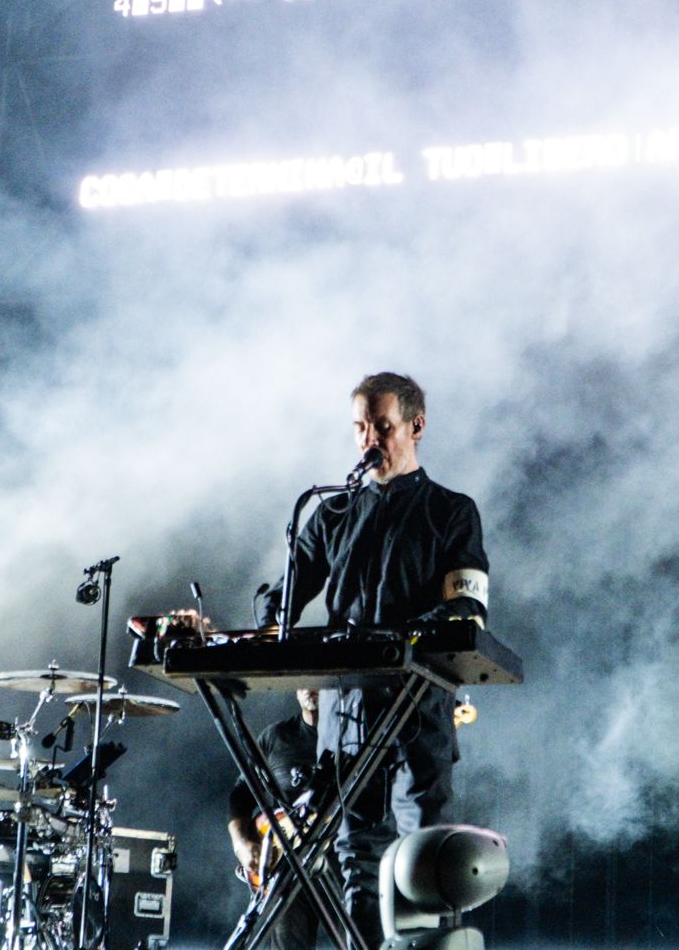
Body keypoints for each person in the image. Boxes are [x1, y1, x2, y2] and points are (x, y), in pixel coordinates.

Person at [259, 372, 490, 948]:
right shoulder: (333, 514)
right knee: (357, 864)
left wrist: (409, 636)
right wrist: (265, 616)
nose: (368, 440)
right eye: (360, 427)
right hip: (346, 712)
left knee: (424, 861)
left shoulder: (451, 511)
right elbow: (285, 595)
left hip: (417, 705)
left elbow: (466, 605)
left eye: (381, 427)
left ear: (416, 426)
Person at [227, 689, 323, 950]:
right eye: (301, 680)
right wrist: (241, 845)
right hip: (284, 865)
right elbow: (241, 795)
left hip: (337, 860)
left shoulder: (352, 736)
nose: (309, 686)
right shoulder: (276, 737)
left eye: (316, 677)